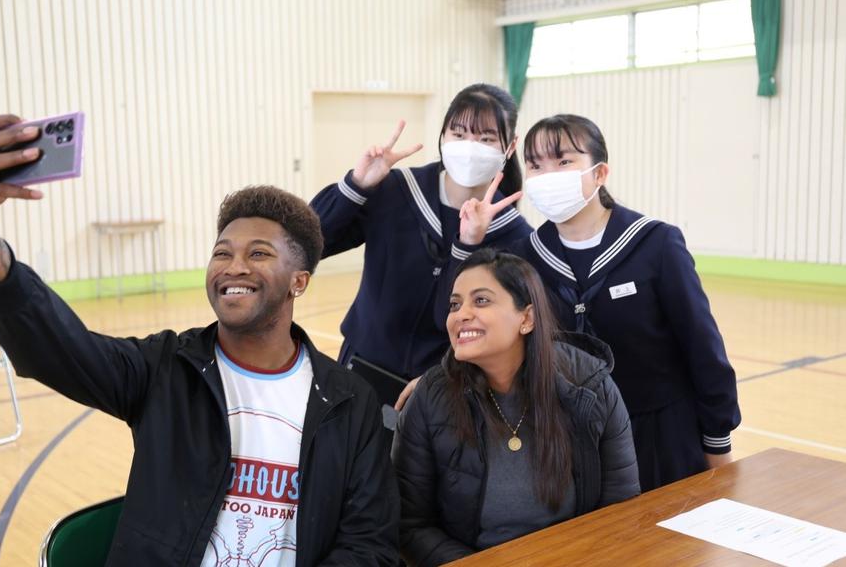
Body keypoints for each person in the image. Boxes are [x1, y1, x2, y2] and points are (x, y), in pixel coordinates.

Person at [0, 115, 399, 566]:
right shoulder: (164, 369)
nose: (233, 266)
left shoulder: (349, 402)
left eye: (258, 253)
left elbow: (369, 544)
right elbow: (55, 347)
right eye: (222, 252)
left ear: (298, 281)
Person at [451, 114, 741, 491]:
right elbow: (470, 320)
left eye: (564, 161)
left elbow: (704, 349)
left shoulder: (656, 244)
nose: (548, 174)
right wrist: (471, 239)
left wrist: (718, 443)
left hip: (660, 438)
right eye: (536, 165)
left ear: (600, 173)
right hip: (568, 441)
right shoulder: (525, 257)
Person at [392, 249, 639, 566]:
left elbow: (621, 510)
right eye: (455, 304)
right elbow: (410, 525)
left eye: (481, 300)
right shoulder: (430, 399)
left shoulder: (592, 388)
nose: (460, 314)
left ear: (527, 318)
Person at [310, 83, 531, 391]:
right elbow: (309, 243)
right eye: (459, 133)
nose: (469, 146)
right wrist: (356, 186)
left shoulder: (516, 236)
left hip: (444, 388)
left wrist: (468, 246)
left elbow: (459, 319)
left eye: (486, 138)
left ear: (510, 146)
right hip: (359, 370)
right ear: (443, 136)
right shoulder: (396, 190)